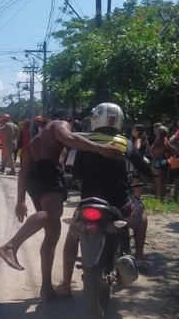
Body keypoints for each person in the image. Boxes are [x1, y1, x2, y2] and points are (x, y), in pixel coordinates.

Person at [0, 109, 124, 303]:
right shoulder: (59, 125)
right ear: (69, 120)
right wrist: (100, 148)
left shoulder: (35, 140)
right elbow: (69, 137)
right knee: (52, 213)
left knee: (52, 234)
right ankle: (11, 246)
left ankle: (47, 289)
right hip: (48, 173)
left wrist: (21, 200)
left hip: (35, 179)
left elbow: (23, 172)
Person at [55, 103, 153, 298]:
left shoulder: (86, 142)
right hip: (119, 203)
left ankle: (66, 283)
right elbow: (144, 169)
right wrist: (150, 173)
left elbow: (76, 175)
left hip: (89, 202)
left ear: (95, 119)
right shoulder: (125, 143)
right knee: (141, 214)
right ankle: (140, 257)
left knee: (73, 235)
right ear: (119, 121)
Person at [150, 126, 171, 202]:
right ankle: (161, 198)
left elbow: (151, 149)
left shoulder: (158, 140)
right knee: (163, 181)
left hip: (158, 161)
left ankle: (158, 199)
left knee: (158, 182)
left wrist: (154, 158)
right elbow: (169, 150)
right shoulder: (166, 140)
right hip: (165, 160)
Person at [131, 124, 149, 198]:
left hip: (137, 163)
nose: (132, 131)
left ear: (137, 131)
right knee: (137, 182)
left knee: (135, 182)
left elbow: (136, 149)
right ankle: (138, 197)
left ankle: (137, 199)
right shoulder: (143, 139)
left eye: (134, 129)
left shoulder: (138, 139)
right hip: (140, 163)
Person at [169, 129, 179, 202]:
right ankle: (175, 197)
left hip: (175, 160)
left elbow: (169, 143)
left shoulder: (174, 137)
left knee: (176, 180)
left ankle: (175, 197)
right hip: (175, 160)